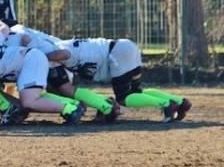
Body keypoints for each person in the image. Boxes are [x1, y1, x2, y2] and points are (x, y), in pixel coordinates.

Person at [47, 38, 192, 122]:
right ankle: (180, 102)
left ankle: (166, 104)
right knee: (137, 92)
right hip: (126, 47)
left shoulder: (60, 49)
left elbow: (63, 54)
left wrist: (42, 56)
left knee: (124, 98)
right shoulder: (65, 44)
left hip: (118, 54)